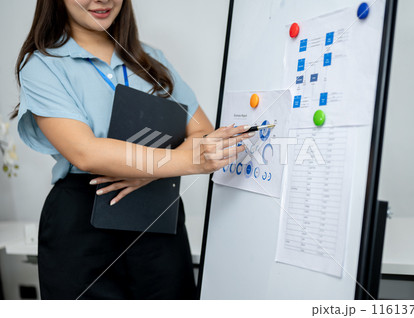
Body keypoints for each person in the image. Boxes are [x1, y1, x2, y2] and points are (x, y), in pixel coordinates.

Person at [10, 0, 253, 300]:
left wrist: (148, 173)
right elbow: (86, 152)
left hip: (157, 218)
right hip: (83, 224)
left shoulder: (150, 58)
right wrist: (181, 159)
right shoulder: (43, 64)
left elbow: (203, 132)